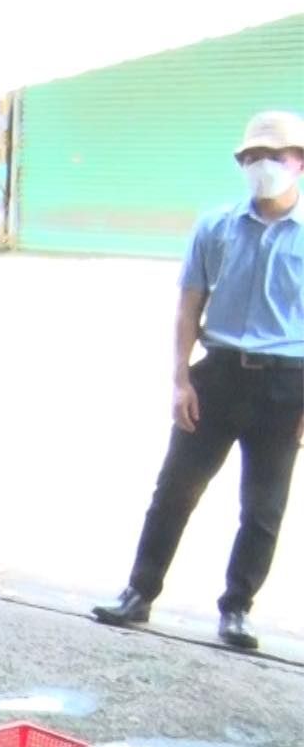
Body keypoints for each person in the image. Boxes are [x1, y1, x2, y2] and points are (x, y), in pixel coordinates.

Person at [93, 111, 304, 652]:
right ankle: (139, 592)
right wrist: (181, 380)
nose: (262, 165)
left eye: (274, 156)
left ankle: (237, 609)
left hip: (286, 386)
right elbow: (190, 305)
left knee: (263, 508)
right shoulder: (216, 227)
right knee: (175, 491)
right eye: (252, 156)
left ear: (299, 162)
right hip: (218, 378)